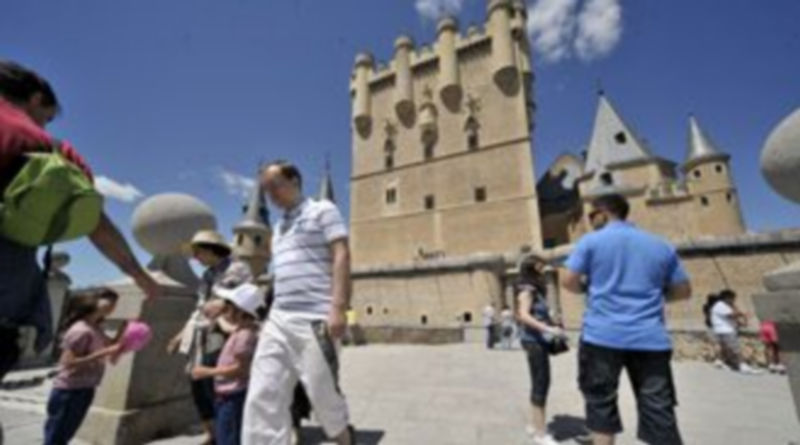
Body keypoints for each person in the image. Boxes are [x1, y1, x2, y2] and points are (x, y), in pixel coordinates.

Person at [0, 60, 159, 383]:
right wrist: (139, 275)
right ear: (35, 98)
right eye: (46, 118)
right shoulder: (49, 148)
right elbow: (94, 222)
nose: (44, 127)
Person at [561, 194, 691, 445]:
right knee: (659, 409)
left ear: (603, 213)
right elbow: (683, 290)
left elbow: (568, 281)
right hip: (650, 338)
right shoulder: (661, 245)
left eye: (591, 215)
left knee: (600, 406)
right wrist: (653, 296)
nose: (590, 221)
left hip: (601, 337)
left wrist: (589, 289)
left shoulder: (591, 241)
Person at [243, 160, 354, 445]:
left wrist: (338, 308)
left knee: (321, 394)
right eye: (266, 190)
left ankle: (344, 437)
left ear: (294, 181)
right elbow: (281, 275)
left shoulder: (323, 210)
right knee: (262, 394)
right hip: (279, 319)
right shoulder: (278, 228)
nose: (270, 195)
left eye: (274, 186)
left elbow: (341, 254)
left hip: (315, 317)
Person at [167, 230, 251, 445]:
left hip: (223, 333)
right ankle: (213, 433)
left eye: (197, 252)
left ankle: (227, 434)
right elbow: (200, 308)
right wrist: (180, 335)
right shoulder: (207, 275)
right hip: (201, 334)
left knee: (218, 385)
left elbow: (239, 300)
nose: (195, 258)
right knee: (198, 387)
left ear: (210, 250)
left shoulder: (237, 269)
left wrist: (223, 306)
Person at [43, 289, 125, 445]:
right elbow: (68, 363)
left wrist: (125, 328)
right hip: (69, 391)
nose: (113, 305)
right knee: (56, 437)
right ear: (92, 301)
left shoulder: (95, 328)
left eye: (115, 302)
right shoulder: (80, 330)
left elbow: (112, 344)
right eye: (108, 299)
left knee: (64, 435)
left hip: (85, 388)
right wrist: (104, 353)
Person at [191, 283, 262, 445]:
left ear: (240, 311)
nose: (225, 311)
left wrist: (208, 372)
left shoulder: (245, 335)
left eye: (228, 308)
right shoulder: (242, 331)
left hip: (234, 397)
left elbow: (242, 370)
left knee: (228, 438)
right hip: (227, 395)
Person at [515, 256, 564, 445]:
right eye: (541, 267)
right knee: (541, 382)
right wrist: (547, 328)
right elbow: (523, 315)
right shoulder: (527, 290)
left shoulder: (535, 290)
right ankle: (540, 434)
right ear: (533, 268)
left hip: (537, 341)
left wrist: (550, 318)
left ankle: (534, 424)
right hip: (534, 341)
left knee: (539, 381)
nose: (543, 270)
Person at [709, 289, 761, 374]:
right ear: (727, 298)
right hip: (726, 331)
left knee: (727, 349)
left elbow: (731, 318)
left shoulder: (722, 306)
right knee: (735, 349)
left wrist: (741, 320)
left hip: (722, 330)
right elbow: (732, 315)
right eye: (732, 298)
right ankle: (742, 365)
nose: (733, 300)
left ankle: (725, 363)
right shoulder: (721, 305)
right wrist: (742, 313)